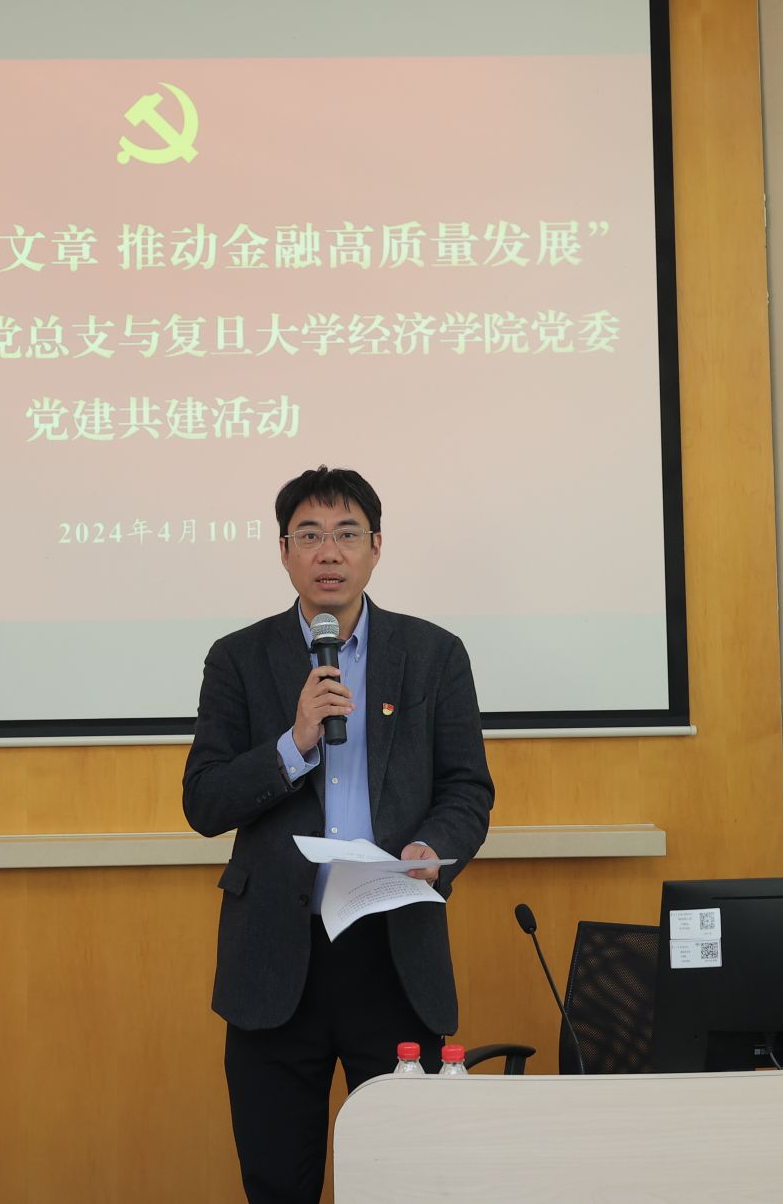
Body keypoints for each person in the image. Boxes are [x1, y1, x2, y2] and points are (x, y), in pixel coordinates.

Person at [182, 466, 495, 1204]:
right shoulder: (238, 658)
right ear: (284, 551)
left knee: (405, 1181)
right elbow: (205, 800)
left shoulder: (434, 654)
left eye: (347, 533)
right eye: (310, 535)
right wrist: (293, 742)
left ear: (376, 547)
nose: (329, 551)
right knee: (276, 1182)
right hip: (275, 960)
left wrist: (432, 848)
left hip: (392, 950)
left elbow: (467, 788)